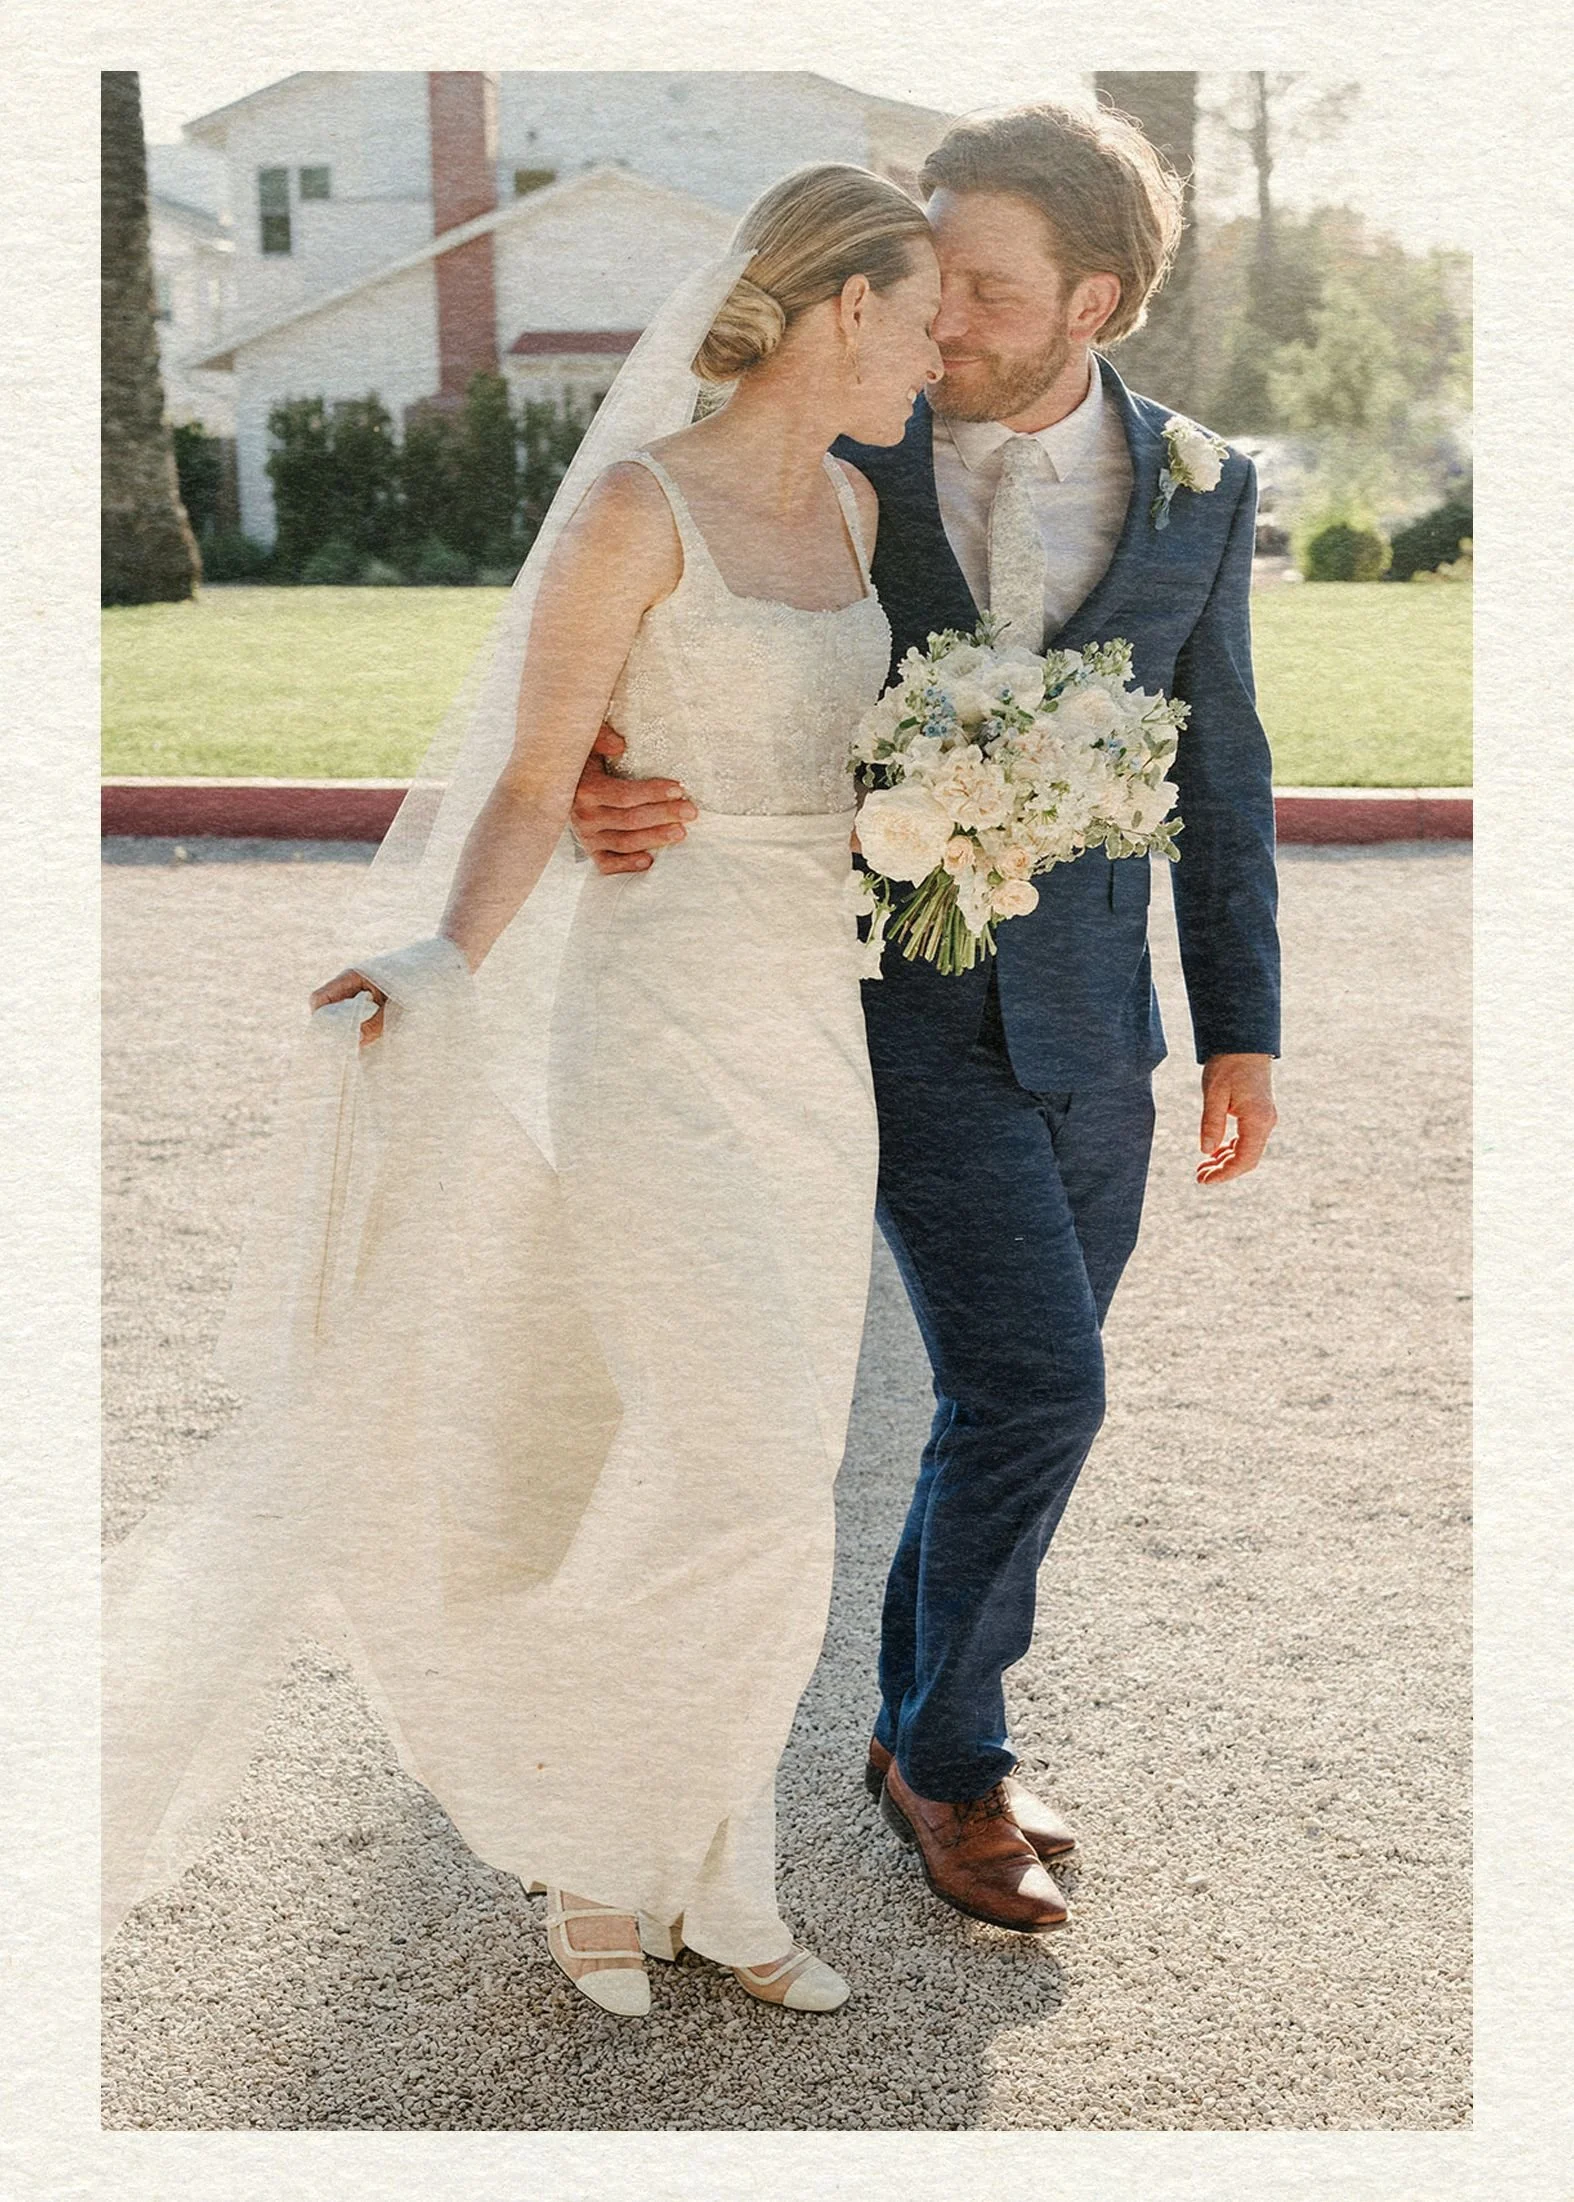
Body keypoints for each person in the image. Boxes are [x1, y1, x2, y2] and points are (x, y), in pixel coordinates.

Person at [101, 164, 942, 2022]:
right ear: (838, 309)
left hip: (818, 1026)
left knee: (778, 1471)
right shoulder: (639, 509)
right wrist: (440, 961)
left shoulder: (870, 505)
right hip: (658, 1026)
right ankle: (585, 1829)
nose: (945, 338)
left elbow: (876, 753)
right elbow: (528, 777)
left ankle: (714, 1865)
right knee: (725, 1450)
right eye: (924, 304)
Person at [570, 101, 1283, 1935]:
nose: (936, 314)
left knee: (1008, 1400)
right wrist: (593, 758)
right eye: (928, 269)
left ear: (1093, 300)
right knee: (1040, 1380)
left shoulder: (1201, 484)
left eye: (984, 284)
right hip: (877, 1003)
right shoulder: (850, 423)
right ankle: (952, 1763)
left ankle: (910, 1728)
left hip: (1093, 1034)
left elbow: (1225, 767)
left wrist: (1237, 1032)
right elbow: (649, 567)